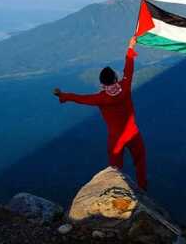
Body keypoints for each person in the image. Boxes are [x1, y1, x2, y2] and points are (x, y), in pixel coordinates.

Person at [52, 37, 147, 190]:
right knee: (140, 161)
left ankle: (117, 192)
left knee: (115, 169)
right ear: (115, 79)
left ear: (102, 83)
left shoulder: (101, 98)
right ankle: (143, 189)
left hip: (116, 138)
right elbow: (129, 69)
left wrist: (63, 95)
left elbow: (80, 99)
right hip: (133, 134)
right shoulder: (125, 86)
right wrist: (130, 47)